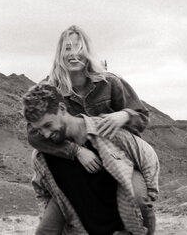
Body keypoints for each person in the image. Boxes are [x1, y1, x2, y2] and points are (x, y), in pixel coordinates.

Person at [23, 84, 160, 235]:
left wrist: (149, 196)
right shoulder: (42, 156)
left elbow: (146, 154)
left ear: (62, 109)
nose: (46, 134)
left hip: (123, 222)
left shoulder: (104, 129)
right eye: (39, 130)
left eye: (48, 125)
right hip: (83, 225)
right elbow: (42, 192)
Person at [28, 25, 150, 174]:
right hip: (79, 164)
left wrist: (124, 115)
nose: (73, 54)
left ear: (88, 52)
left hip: (118, 159)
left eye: (79, 48)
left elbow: (142, 117)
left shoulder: (110, 82)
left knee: (137, 195)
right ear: (59, 54)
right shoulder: (50, 90)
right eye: (67, 48)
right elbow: (33, 134)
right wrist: (76, 151)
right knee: (38, 157)